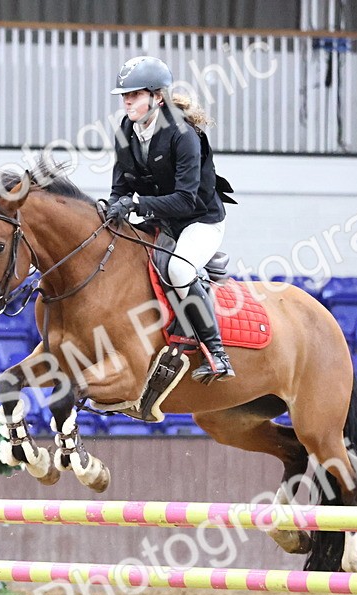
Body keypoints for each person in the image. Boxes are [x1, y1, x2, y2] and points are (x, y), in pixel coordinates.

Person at [104, 55, 234, 383]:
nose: (127, 101)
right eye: (124, 95)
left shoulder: (183, 135)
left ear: (156, 96)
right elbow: (120, 186)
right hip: (160, 218)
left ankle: (217, 353)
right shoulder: (125, 130)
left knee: (177, 268)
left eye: (134, 94)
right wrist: (115, 207)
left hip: (199, 219)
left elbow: (185, 199)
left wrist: (136, 202)